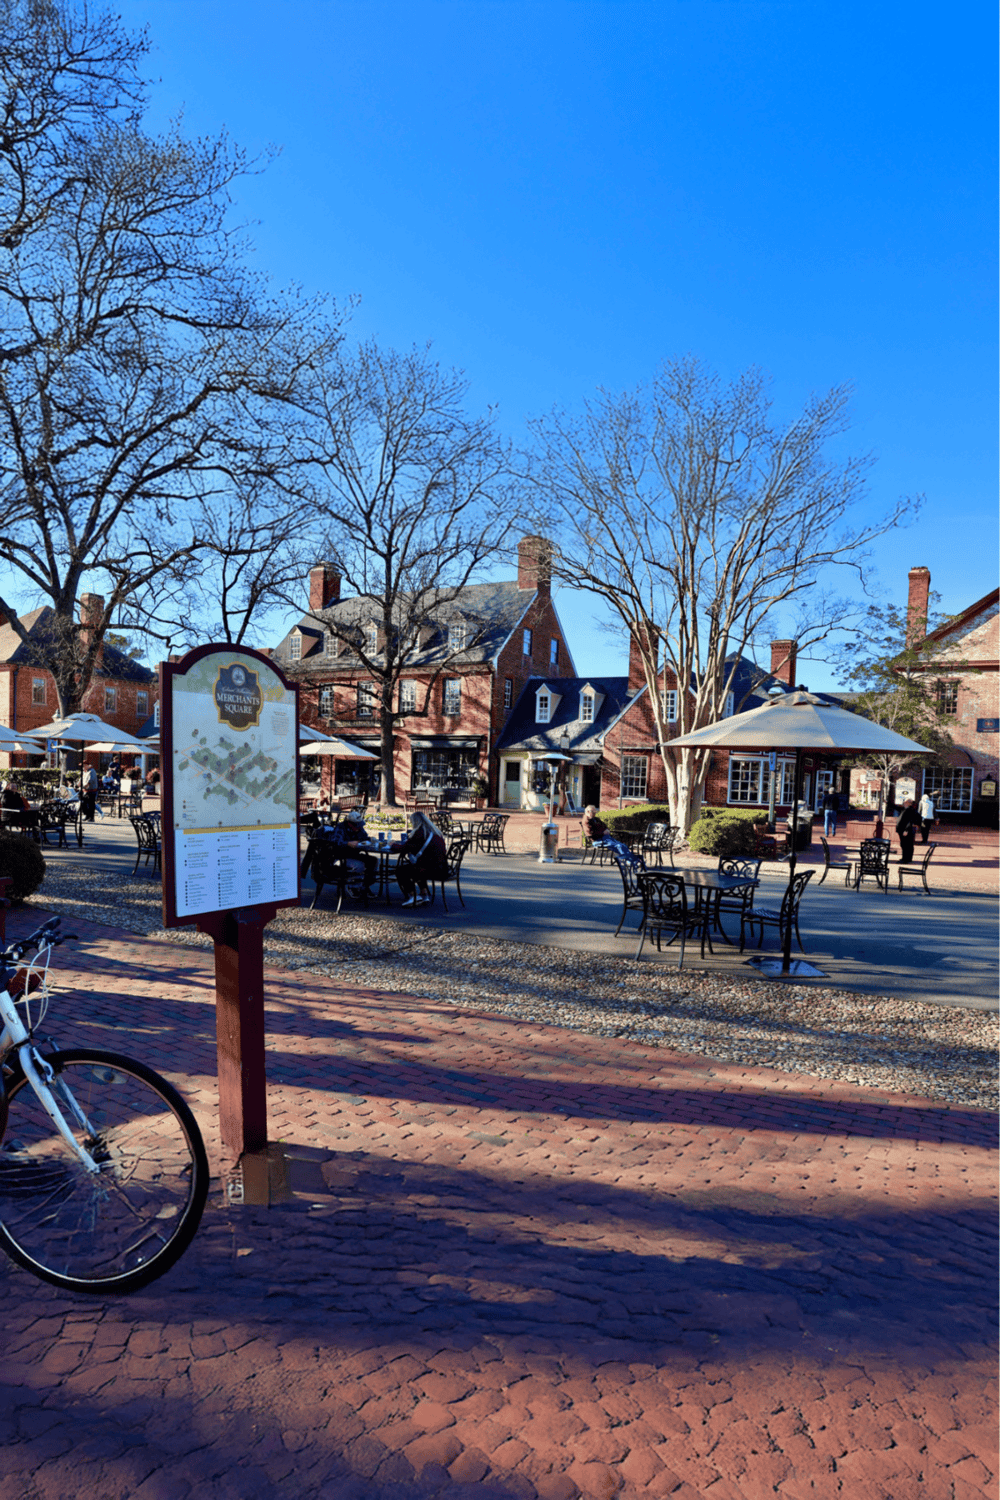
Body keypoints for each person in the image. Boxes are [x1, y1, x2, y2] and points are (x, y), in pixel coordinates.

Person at [394, 810, 447, 907]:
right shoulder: (436, 832)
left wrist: (392, 844)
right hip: (442, 867)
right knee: (417, 866)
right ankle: (424, 893)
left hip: (430, 869)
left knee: (400, 871)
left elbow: (405, 848)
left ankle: (413, 895)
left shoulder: (419, 833)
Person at [324, 807, 379, 896]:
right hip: (340, 856)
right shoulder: (341, 828)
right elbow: (335, 842)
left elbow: (364, 837)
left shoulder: (359, 828)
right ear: (350, 823)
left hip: (354, 854)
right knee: (360, 865)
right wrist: (348, 843)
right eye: (357, 825)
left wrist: (371, 840)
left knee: (373, 861)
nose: (359, 827)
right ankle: (353, 886)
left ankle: (365, 885)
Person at [895, 798, 920, 864]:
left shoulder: (909, 810)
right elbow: (896, 807)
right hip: (904, 830)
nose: (903, 803)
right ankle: (907, 858)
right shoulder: (906, 809)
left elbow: (910, 821)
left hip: (906, 831)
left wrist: (906, 830)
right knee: (906, 845)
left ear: (908, 803)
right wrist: (887, 802)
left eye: (905, 802)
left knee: (906, 845)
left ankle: (905, 859)